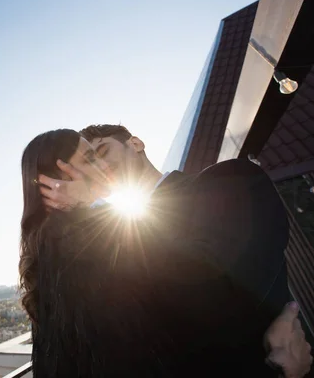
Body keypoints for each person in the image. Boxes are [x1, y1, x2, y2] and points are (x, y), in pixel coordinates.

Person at [21, 129, 312, 377]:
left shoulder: (229, 179)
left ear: (135, 143)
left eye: (102, 151)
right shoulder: (76, 268)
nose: (99, 167)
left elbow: (221, 294)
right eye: (88, 159)